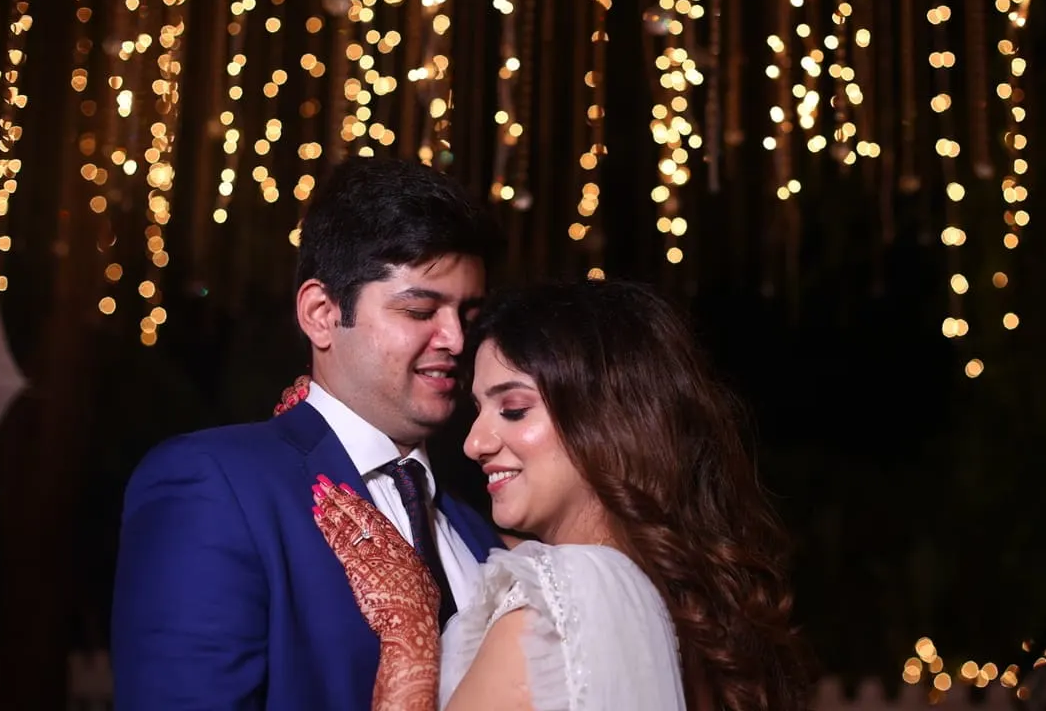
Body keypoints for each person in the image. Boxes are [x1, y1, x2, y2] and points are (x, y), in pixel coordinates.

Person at [304, 278, 814, 710]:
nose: (474, 443)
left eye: (514, 410)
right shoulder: (679, 602)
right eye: (478, 410)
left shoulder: (556, 607)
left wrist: (407, 633)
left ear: (608, 420)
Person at [111, 157, 505, 710]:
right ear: (321, 313)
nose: (456, 340)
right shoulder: (215, 486)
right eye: (420, 311)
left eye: (469, 315)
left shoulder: (478, 533)